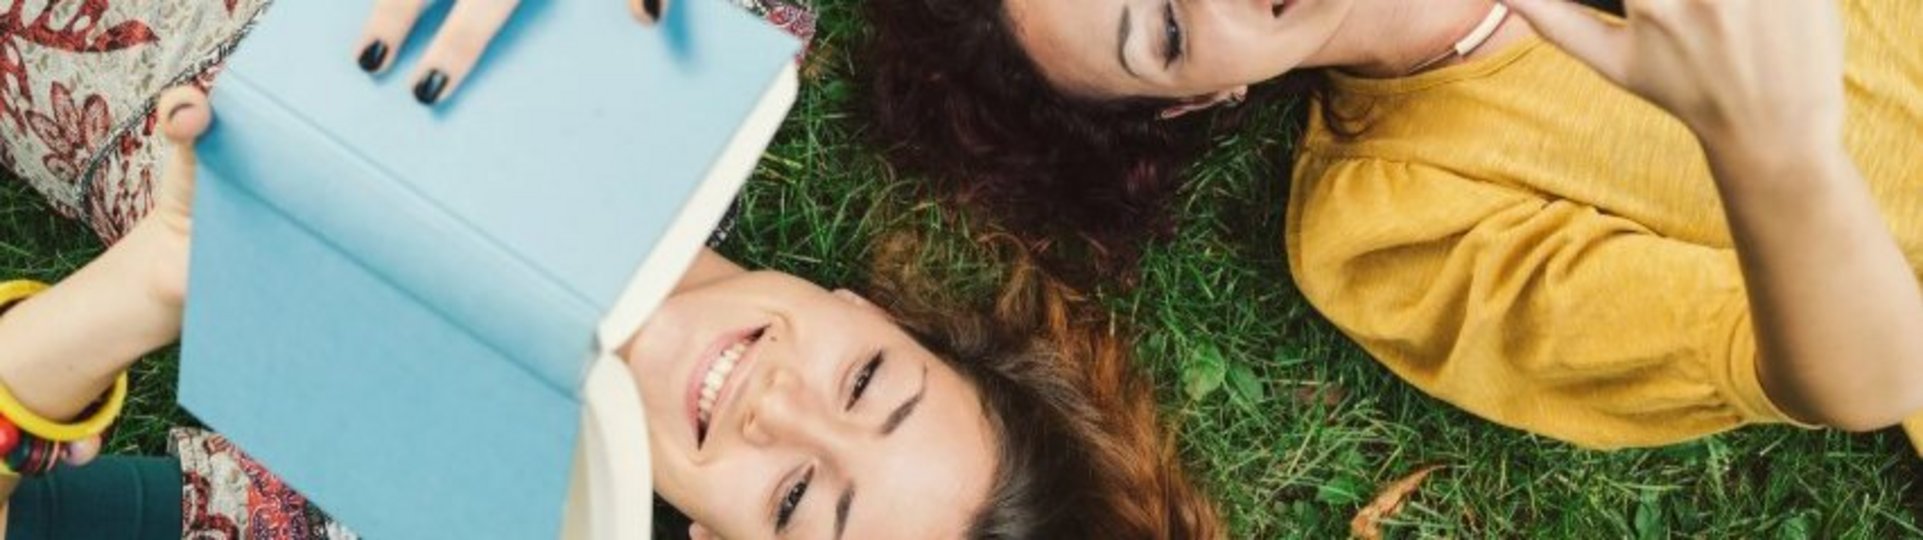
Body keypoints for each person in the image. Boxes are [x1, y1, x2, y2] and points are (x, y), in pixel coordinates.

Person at [0, 2, 1217, 539]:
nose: (775, 405)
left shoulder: (375, 500)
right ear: (880, 313)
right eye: (866, 384)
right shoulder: (723, 31)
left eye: (800, 502)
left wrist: (150, 288)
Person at [864, 0, 1923, 452]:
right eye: (1170, 28)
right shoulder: (1391, 221)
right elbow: (1873, 377)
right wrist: (1770, 151)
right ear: (1198, 101)